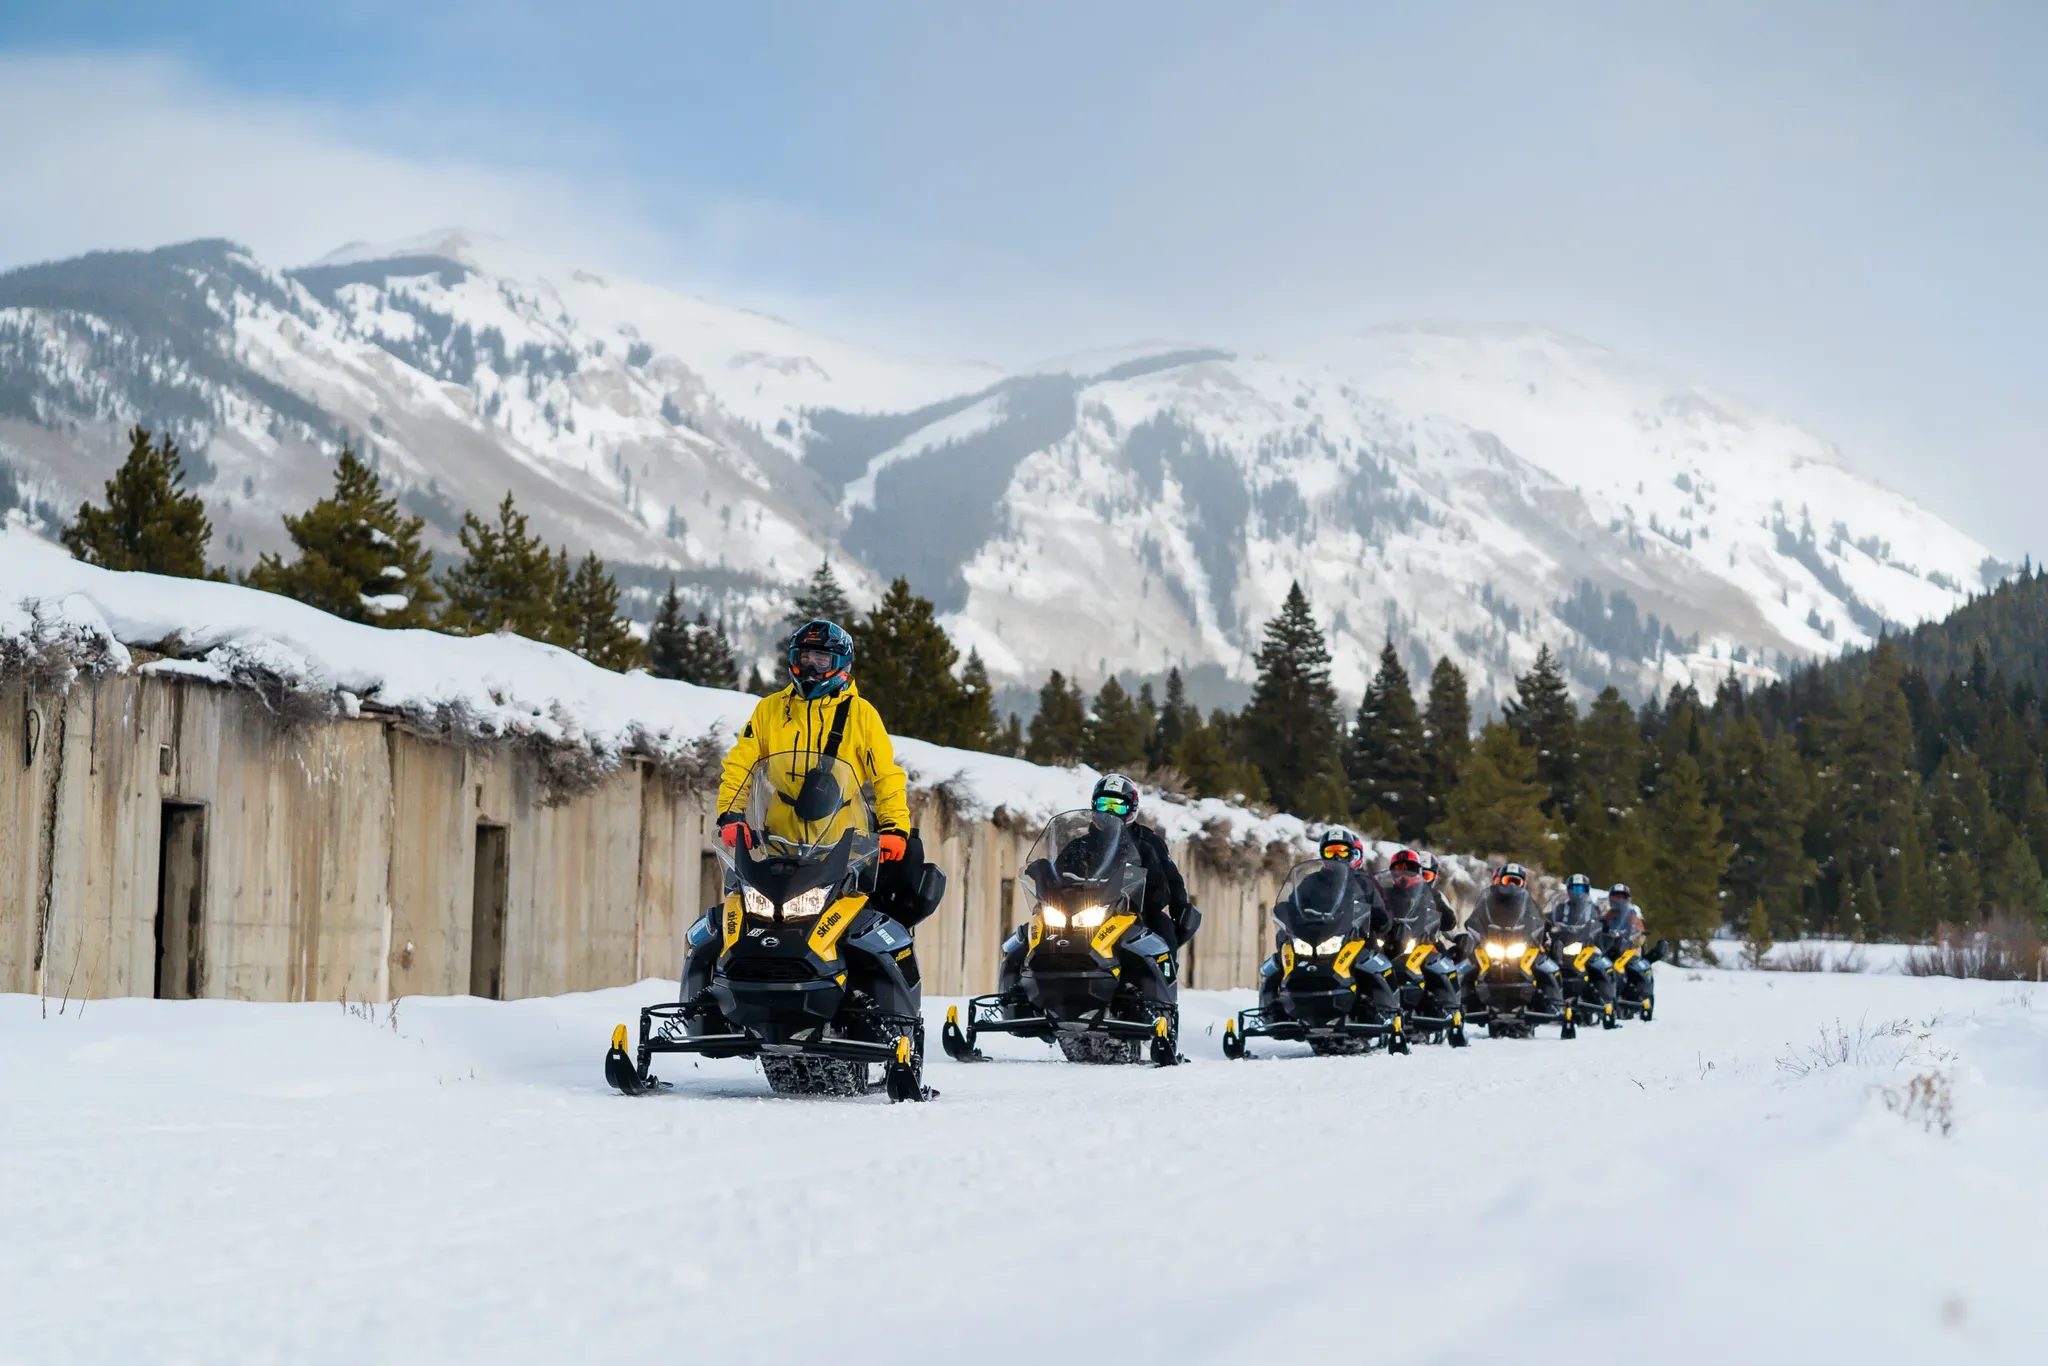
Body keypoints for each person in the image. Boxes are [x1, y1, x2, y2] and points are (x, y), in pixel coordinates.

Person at [683, 619, 924, 1005]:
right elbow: (742, 764)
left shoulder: (862, 715)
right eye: (804, 657)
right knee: (743, 918)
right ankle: (718, 998)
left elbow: (887, 777)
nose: (811, 667)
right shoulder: (770, 710)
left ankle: (876, 1006)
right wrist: (731, 816)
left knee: (854, 926)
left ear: (841, 664)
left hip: (841, 845)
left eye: (821, 658)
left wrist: (895, 827)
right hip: (777, 840)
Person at [1090, 773, 1200, 950]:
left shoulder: (1149, 842)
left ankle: (1164, 976)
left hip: (1136, 913)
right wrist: (1044, 871)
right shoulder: (1081, 844)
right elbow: (1061, 871)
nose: (1110, 812)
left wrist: (1180, 909)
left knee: (1164, 933)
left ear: (1131, 809)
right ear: (1094, 807)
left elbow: (1171, 880)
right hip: (1087, 912)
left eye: (1117, 807)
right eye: (1104, 805)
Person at [1318, 826, 1393, 945]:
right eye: (1330, 852)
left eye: (1342, 851)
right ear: (1322, 855)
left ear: (1350, 855)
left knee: (1376, 960)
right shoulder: (1313, 881)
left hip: (1357, 941)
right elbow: (1293, 905)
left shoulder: (1365, 883)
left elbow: (1382, 916)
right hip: (1319, 941)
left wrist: (1379, 919)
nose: (1336, 857)